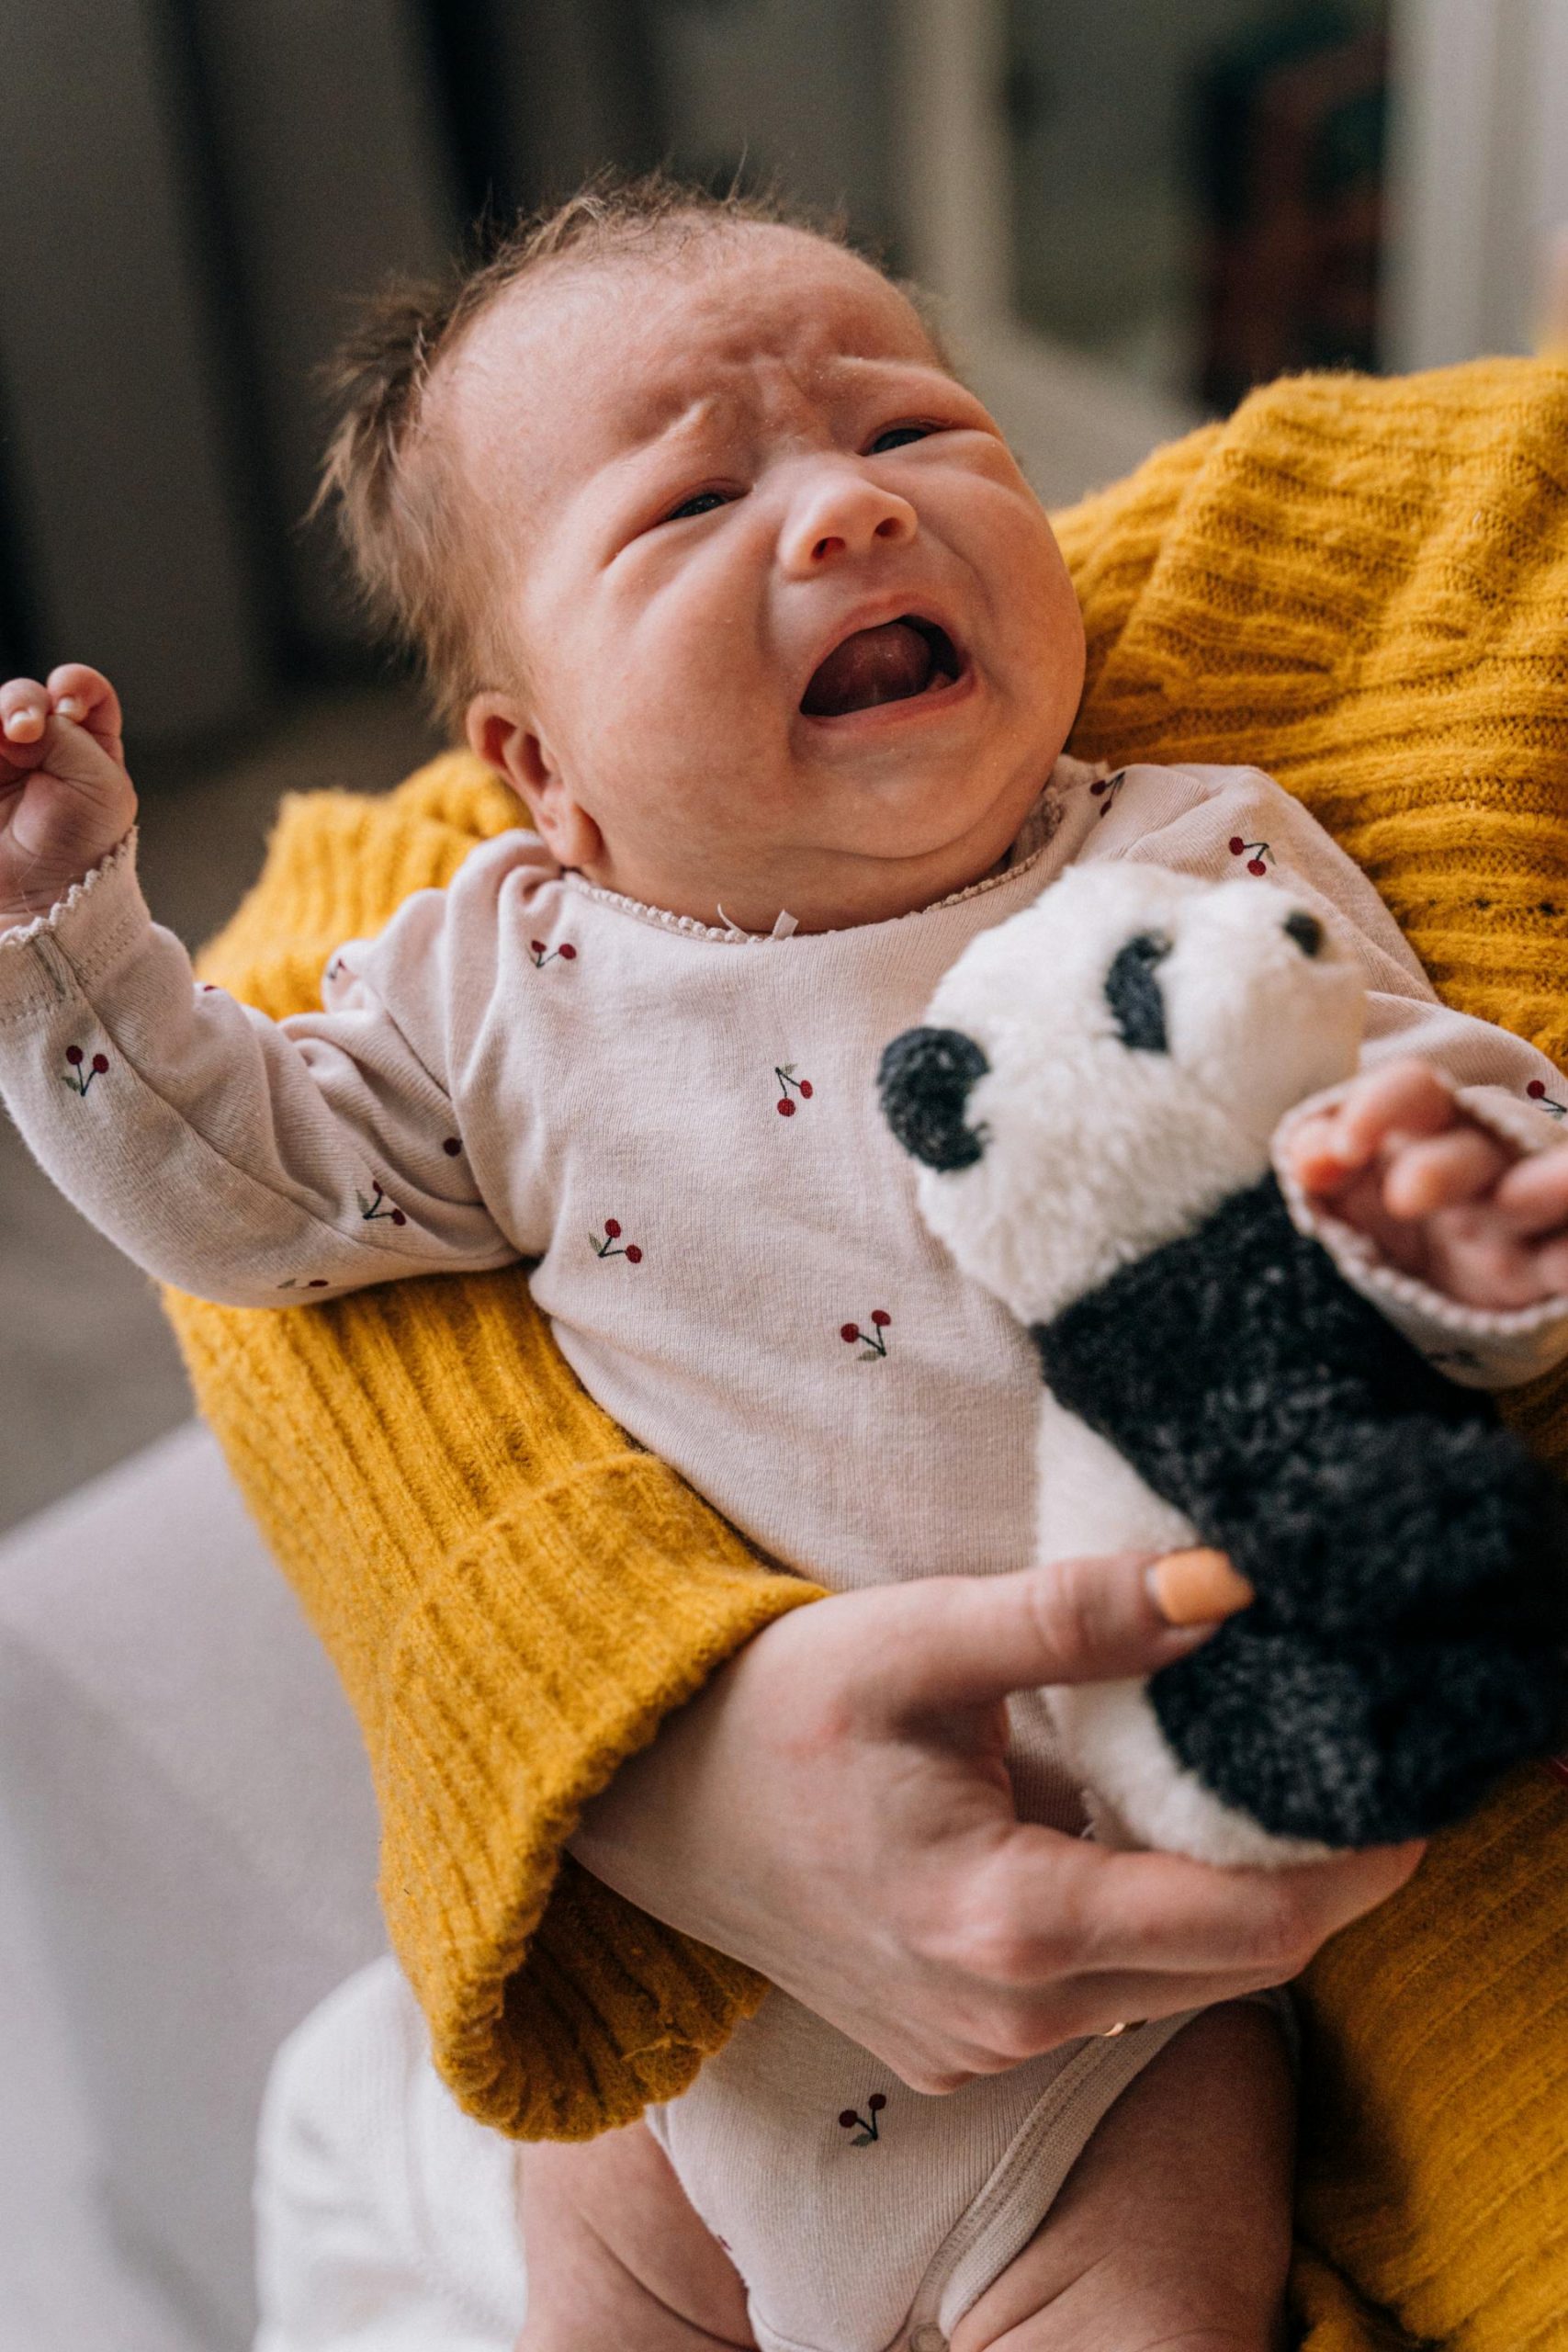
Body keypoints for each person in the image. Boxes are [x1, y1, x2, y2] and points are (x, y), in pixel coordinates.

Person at [4, 177, 1567, 2352]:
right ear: (537, 769)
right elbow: (245, 1199)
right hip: (693, 2004)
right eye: (689, 501)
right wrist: (65, 940)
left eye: (919, 434)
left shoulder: (1187, 855)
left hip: (1127, 1991)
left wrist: (1455, 1195)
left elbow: (1403, 1093)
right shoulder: (495, 987)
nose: (845, 514)